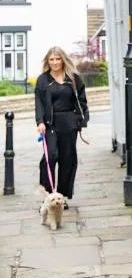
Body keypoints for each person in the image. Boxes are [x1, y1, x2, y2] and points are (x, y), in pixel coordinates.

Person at [35, 46, 89, 208]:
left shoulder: (73, 79)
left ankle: (62, 196)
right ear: (47, 61)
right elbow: (39, 102)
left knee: (68, 159)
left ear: (63, 60)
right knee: (50, 156)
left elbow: (82, 100)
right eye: (51, 59)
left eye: (58, 59)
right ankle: (48, 195)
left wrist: (80, 120)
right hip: (50, 123)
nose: (55, 62)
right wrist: (40, 121)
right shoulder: (43, 79)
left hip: (69, 123)